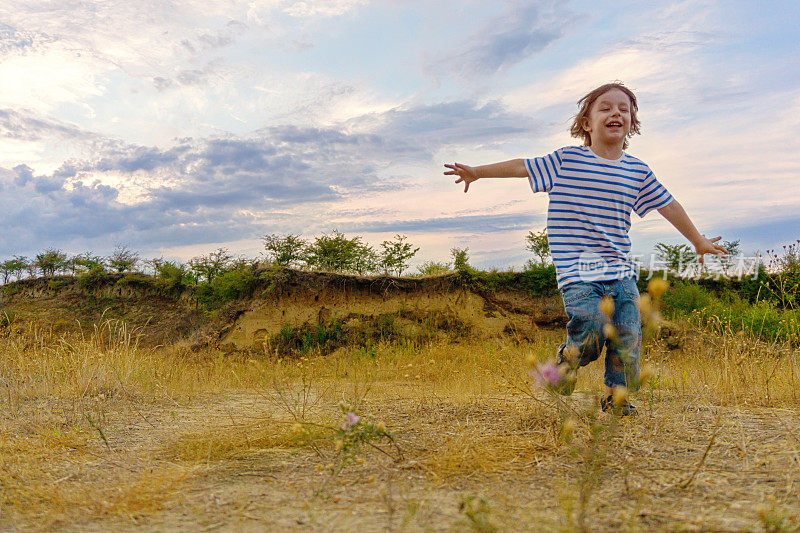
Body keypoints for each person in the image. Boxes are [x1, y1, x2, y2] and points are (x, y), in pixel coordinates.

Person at [444, 82, 727, 416]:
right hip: (577, 272)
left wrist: (698, 241)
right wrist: (477, 172)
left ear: (632, 123)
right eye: (605, 107)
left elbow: (669, 205)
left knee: (629, 340)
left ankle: (615, 400)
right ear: (587, 123)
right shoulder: (567, 160)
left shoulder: (637, 171)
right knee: (590, 327)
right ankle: (565, 363)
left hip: (621, 273)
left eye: (624, 108)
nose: (616, 113)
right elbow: (523, 166)